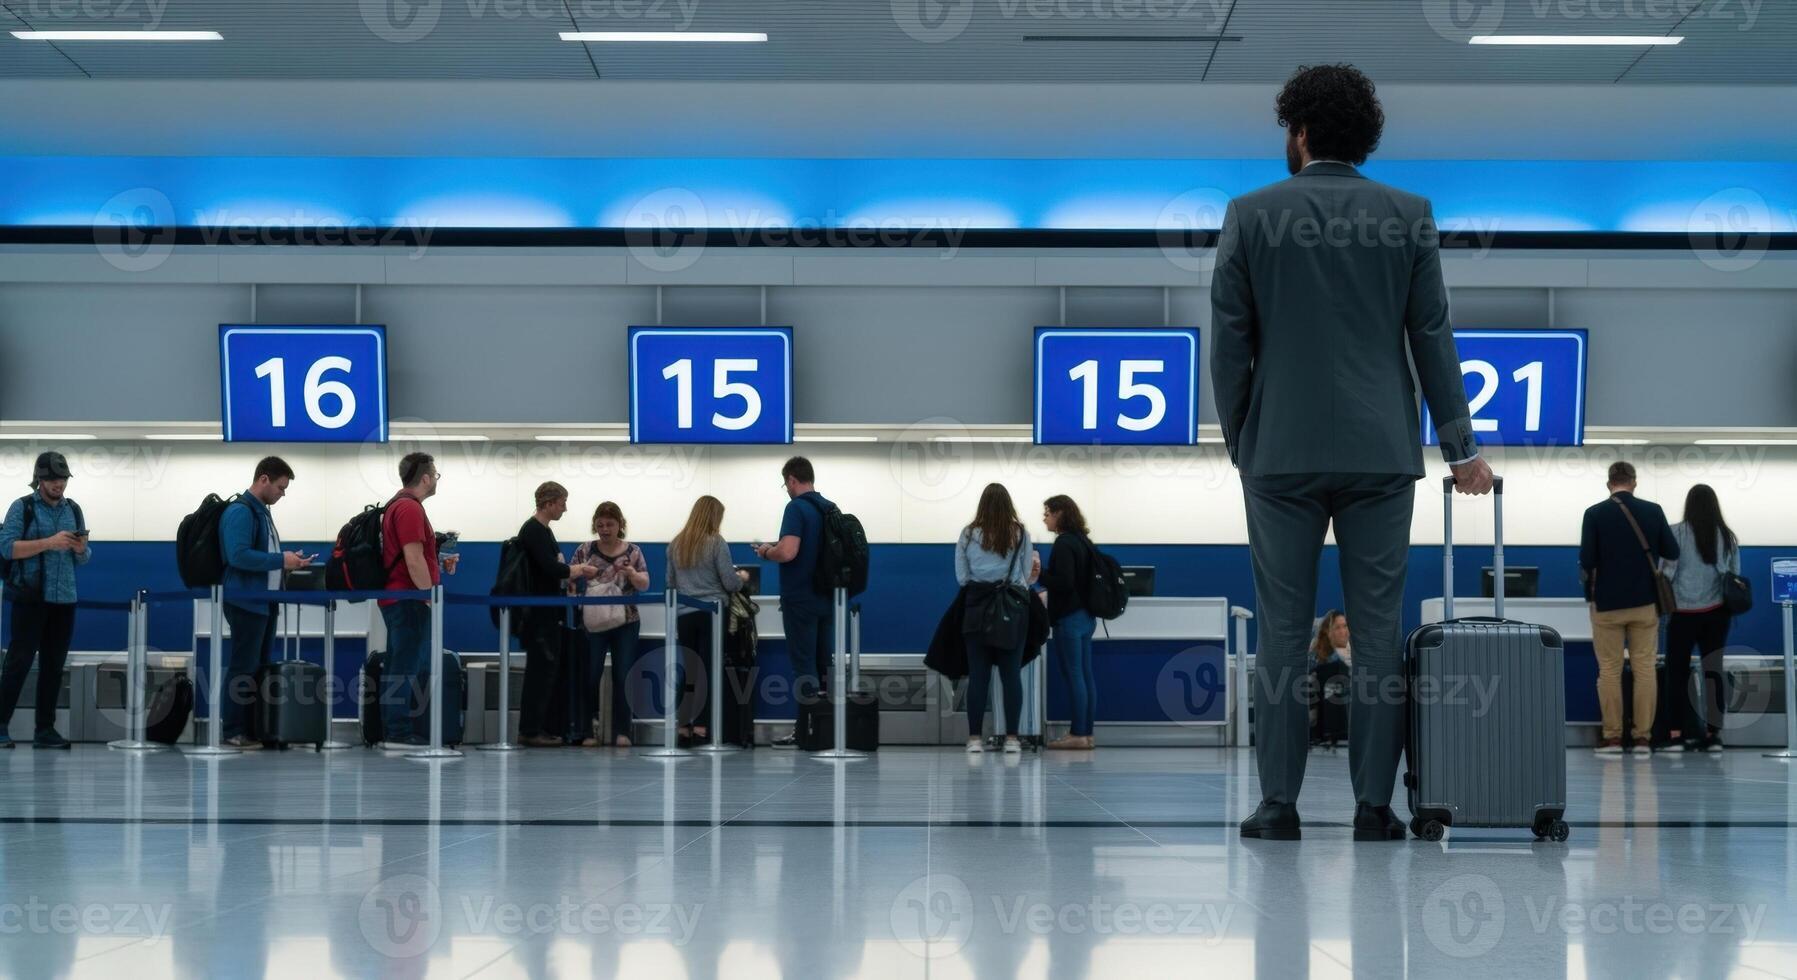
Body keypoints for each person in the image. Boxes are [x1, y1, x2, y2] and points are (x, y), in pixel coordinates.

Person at [1210, 64, 1494, 841]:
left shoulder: (1251, 214)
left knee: (1280, 630)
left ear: (1297, 132)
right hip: (1379, 451)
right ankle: (1375, 806)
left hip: (1280, 452)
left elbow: (1228, 345)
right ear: (1360, 136)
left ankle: (1278, 804)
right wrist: (1459, 449)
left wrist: (1245, 440)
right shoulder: (1406, 215)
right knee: (1375, 633)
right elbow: (1431, 338)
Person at [1580, 460, 1678, 758]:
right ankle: (1642, 740)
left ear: (1609, 483)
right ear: (1633, 482)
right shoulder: (1653, 511)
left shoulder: (1594, 513)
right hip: (1644, 603)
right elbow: (1672, 551)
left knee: (1609, 670)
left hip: (1607, 604)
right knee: (1644, 669)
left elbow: (1587, 560)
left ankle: (1611, 739)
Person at [217, 456, 312, 750]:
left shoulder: (262, 514)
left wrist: (286, 563)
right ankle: (233, 730)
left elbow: (261, 557)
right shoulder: (240, 512)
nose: (282, 494)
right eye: (281, 488)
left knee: (257, 668)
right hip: (246, 601)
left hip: (264, 602)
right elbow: (238, 555)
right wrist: (281, 560)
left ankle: (254, 728)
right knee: (243, 667)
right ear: (263, 480)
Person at [0, 452, 92, 749]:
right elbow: (7, 549)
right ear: (39, 479)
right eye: (53, 479)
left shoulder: (74, 510)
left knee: (54, 666)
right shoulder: (22, 507)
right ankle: (1, 726)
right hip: (30, 597)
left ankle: (45, 730)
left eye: (63, 479)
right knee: (19, 663)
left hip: (64, 599)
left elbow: (84, 559)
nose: (59, 485)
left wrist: (80, 549)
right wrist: (49, 543)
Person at [377, 452, 460, 749]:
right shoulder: (410, 509)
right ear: (425, 478)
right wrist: (429, 596)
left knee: (397, 664)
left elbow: (412, 556)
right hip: (408, 599)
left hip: (397, 597)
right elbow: (412, 560)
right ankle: (398, 733)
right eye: (435, 475)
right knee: (405, 667)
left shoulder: (396, 506)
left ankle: (393, 731)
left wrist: (437, 561)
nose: (436, 480)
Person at [753, 457, 835, 748]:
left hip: (800, 599)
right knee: (825, 665)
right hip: (828, 600)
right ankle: (828, 731)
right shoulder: (829, 508)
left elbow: (788, 552)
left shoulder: (796, 508)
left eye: (785, 483)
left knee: (804, 667)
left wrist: (765, 551)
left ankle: (806, 732)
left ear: (791, 479)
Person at [516, 482, 599, 748]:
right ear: (550, 503)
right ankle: (530, 729)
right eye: (562, 502)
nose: (565, 508)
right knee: (540, 671)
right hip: (540, 614)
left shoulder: (543, 531)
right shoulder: (534, 531)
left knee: (546, 670)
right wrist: (578, 570)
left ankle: (540, 726)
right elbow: (552, 568)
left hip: (548, 611)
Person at [956, 483, 1037, 755]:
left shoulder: (968, 534)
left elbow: (961, 577)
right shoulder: (1020, 533)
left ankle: (974, 739)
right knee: (1011, 675)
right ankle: (1012, 739)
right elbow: (1025, 575)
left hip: (976, 607)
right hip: (1011, 610)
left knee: (978, 676)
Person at [667, 496, 748, 746]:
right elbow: (730, 582)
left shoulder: (676, 544)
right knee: (709, 671)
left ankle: (682, 727)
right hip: (712, 612)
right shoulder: (716, 542)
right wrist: (742, 576)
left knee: (690, 669)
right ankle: (703, 727)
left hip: (683, 613)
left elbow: (670, 584)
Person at [1661, 484, 1736, 753]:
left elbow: (1666, 573)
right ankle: (1714, 735)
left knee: (1676, 675)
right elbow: (1734, 574)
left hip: (1682, 615)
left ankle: (1676, 735)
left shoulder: (1676, 533)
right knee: (1713, 672)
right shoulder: (1726, 536)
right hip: (1717, 614)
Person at [571, 501, 649, 748]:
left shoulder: (633, 551)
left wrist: (631, 574)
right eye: (600, 525)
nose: (605, 529)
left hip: (626, 621)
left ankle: (622, 731)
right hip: (593, 622)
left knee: (623, 675)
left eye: (610, 524)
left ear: (620, 525)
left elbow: (645, 583)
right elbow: (569, 577)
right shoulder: (584, 550)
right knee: (590, 675)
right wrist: (581, 573)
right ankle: (588, 729)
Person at [1040, 494, 1097, 751]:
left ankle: (1077, 734)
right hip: (1086, 616)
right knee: (1085, 675)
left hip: (1069, 617)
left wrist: (1039, 573)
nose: (1045, 518)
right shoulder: (1084, 542)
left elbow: (1064, 582)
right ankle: (1086, 733)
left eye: (1048, 513)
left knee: (1074, 675)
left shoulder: (1064, 544)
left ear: (1060, 513)